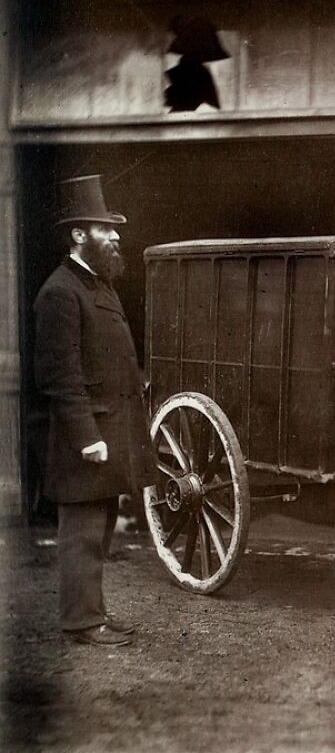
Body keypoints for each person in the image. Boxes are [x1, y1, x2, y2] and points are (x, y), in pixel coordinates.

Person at [34, 174, 156, 647]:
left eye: (113, 229)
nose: (115, 236)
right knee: (82, 534)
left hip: (111, 429)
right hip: (86, 437)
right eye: (104, 229)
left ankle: (93, 613)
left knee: (100, 528)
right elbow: (59, 378)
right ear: (78, 234)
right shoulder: (60, 292)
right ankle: (82, 622)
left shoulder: (97, 285)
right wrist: (87, 438)